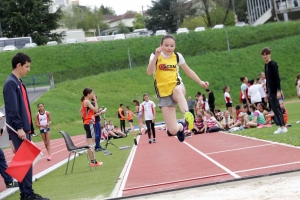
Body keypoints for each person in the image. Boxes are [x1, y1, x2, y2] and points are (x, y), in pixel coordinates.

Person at [3, 53, 49, 200]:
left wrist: (29, 128)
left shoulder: (19, 82)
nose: (28, 70)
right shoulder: (11, 83)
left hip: (25, 130)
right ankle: (28, 194)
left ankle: (26, 194)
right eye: (27, 66)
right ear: (19, 65)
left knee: (25, 164)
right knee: (25, 164)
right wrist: (19, 128)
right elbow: (12, 109)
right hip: (19, 130)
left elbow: (25, 108)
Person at [147, 34, 209, 142]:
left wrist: (200, 82)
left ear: (175, 46)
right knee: (172, 130)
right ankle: (180, 126)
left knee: (177, 90)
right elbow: (149, 72)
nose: (169, 48)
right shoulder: (154, 55)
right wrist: (156, 56)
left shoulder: (177, 56)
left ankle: (187, 115)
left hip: (177, 86)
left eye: (172, 45)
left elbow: (188, 71)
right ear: (160, 45)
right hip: (163, 93)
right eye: (166, 45)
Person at [261, 47, 288, 134]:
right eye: (263, 55)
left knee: (276, 108)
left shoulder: (273, 64)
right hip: (270, 90)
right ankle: (281, 126)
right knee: (274, 108)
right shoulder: (266, 65)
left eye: (266, 54)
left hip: (274, 90)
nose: (265, 56)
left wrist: (278, 90)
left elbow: (277, 78)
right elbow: (268, 80)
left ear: (270, 54)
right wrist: (266, 93)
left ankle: (283, 127)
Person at [80, 88, 103, 166]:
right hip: (89, 123)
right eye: (92, 93)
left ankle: (93, 161)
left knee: (91, 143)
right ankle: (94, 162)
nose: (93, 95)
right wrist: (95, 101)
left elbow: (81, 111)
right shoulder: (87, 101)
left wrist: (85, 118)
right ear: (88, 94)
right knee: (91, 143)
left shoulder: (84, 102)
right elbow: (96, 110)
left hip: (88, 123)